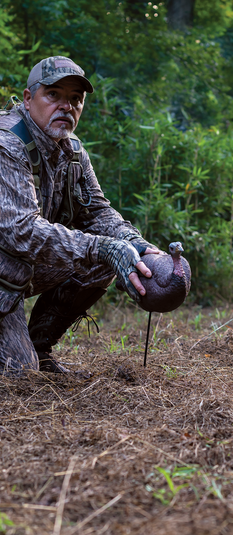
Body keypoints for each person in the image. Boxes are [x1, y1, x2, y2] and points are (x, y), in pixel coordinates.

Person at [0, 55, 159, 374]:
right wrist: (103, 247)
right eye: (54, 95)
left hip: (14, 269)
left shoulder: (71, 149)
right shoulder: (7, 144)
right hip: (6, 269)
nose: (66, 106)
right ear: (29, 99)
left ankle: (39, 346)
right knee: (19, 374)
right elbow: (23, 232)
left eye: (76, 99)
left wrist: (135, 244)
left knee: (105, 259)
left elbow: (97, 211)